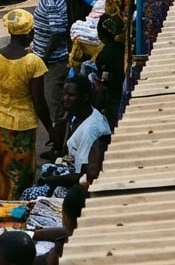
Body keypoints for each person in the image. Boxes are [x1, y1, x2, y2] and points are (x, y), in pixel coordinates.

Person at [0, 9, 52, 200]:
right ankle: (13, 219)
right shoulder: (34, 63)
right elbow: (39, 102)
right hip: (21, 128)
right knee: (18, 176)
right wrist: (51, 129)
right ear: (30, 33)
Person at [23, 72, 111, 200]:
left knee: (30, 194)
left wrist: (51, 180)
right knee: (47, 168)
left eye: (70, 95)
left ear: (85, 97)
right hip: (74, 170)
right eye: (64, 94)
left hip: (83, 185)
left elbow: (83, 176)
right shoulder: (76, 116)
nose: (64, 99)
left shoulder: (91, 130)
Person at [31, 0, 71, 132]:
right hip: (46, 58)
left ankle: (58, 148)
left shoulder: (51, 1)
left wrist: (45, 57)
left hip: (53, 63)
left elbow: (58, 32)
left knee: (54, 105)